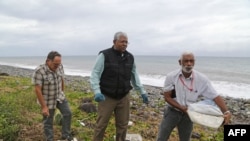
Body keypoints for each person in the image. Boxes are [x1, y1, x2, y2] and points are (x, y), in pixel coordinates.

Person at [157, 51, 231, 141]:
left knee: (185, 139)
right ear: (180, 62)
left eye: (191, 61)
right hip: (172, 112)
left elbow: (215, 96)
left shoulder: (202, 79)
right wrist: (182, 108)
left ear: (194, 62)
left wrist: (226, 112)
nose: (189, 64)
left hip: (189, 115)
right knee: (161, 138)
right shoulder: (171, 76)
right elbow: (167, 97)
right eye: (186, 61)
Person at [90, 31, 149, 141]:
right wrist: (97, 91)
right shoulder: (104, 55)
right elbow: (95, 74)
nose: (125, 44)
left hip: (123, 97)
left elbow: (134, 75)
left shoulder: (130, 57)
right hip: (106, 96)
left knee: (123, 126)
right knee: (101, 125)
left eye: (126, 42)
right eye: (122, 41)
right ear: (114, 42)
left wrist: (142, 92)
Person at [32, 51, 73, 141]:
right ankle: (49, 139)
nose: (57, 66)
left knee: (68, 113)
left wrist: (62, 92)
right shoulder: (40, 71)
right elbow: (37, 89)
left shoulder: (59, 66)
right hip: (47, 100)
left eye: (59, 64)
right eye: (55, 64)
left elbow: (61, 79)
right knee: (48, 121)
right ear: (48, 61)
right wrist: (44, 107)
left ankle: (66, 135)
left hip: (59, 96)